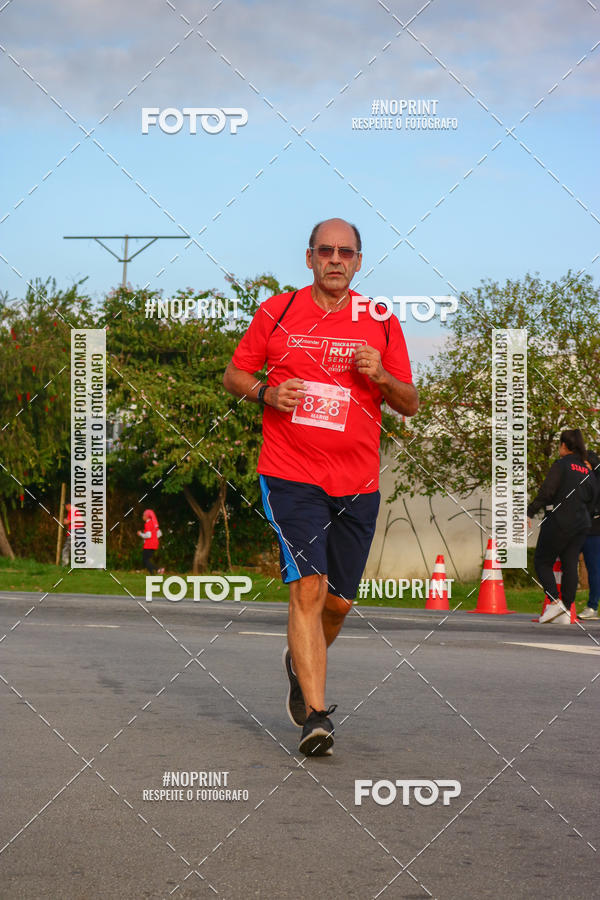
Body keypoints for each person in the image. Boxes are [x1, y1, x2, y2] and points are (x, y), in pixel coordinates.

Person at [223, 218, 418, 756]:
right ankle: (316, 714)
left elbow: (409, 402)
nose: (335, 259)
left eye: (346, 252)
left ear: (358, 261)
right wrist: (266, 392)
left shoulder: (379, 320)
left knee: (337, 605)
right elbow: (234, 374)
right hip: (290, 474)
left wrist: (380, 376)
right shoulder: (278, 311)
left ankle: (297, 658)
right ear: (309, 258)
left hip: (357, 481)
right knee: (308, 588)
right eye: (325, 251)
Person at [527, 429, 598, 622]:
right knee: (569, 564)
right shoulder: (587, 470)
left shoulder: (561, 465)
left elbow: (547, 491)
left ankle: (555, 601)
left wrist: (531, 511)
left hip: (559, 521)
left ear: (564, 446)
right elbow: (593, 499)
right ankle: (566, 609)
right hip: (582, 524)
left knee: (542, 562)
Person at [580, 448, 600, 618]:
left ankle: (592, 606)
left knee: (594, 569)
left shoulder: (594, 481)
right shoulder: (584, 479)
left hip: (594, 530)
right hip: (582, 528)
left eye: (584, 464)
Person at [137, 509, 162, 574]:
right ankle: (155, 571)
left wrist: (140, 534)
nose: (142, 517)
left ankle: (157, 570)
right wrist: (154, 539)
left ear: (147, 516)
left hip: (149, 545)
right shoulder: (154, 523)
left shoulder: (148, 524)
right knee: (146, 560)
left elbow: (148, 535)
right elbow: (159, 534)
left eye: (143, 515)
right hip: (154, 544)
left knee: (145, 560)